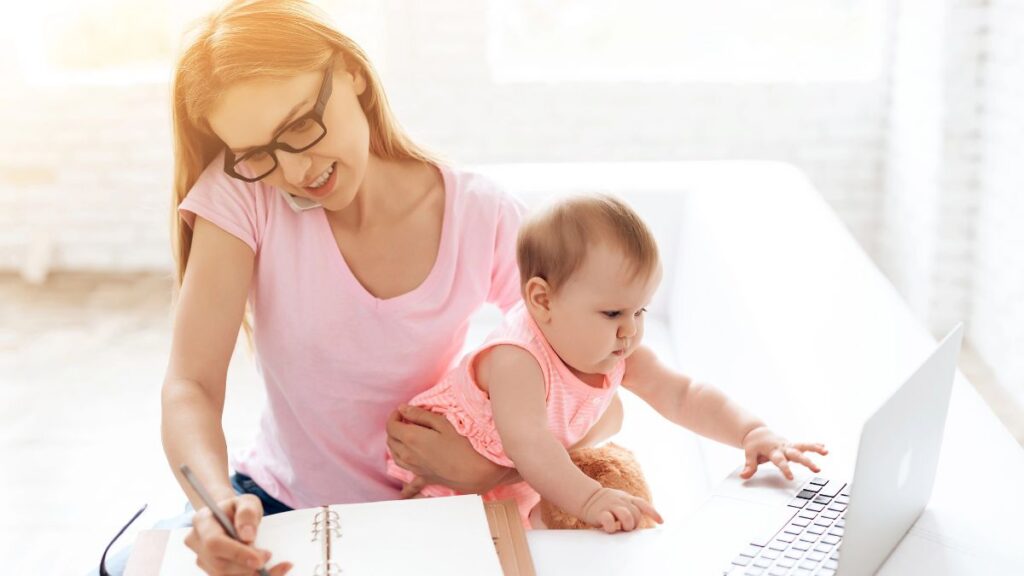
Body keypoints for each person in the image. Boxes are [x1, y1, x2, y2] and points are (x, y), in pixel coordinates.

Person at [92, 1, 623, 575]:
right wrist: (215, 502)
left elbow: (606, 399)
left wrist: (498, 470)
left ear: (352, 73)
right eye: (257, 155)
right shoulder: (242, 196)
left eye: (299, 127)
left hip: (433, 515)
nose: (294, 172)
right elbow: (190, 384)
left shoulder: (480, 216)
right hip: (279, 507)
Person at [386, 194, 829, 532]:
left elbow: (683, 394)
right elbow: (532, 446)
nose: (630, 331)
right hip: (441, 484)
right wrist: (592, 498)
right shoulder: (515, 360)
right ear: (543, 301)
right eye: (613, 313)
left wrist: (751, 431)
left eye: (641, 311)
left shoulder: (617, 349)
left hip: (521, 482)